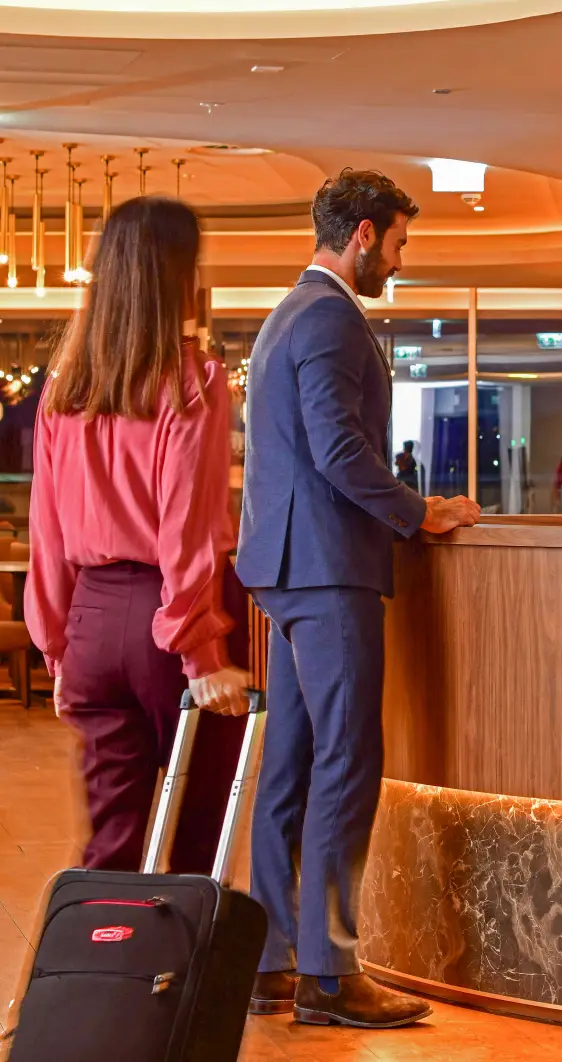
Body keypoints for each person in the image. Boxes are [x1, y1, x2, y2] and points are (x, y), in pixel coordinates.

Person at [235, 169, 480, 1029]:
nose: (400, 262)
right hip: (329, 567)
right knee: (347, 764)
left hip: (287, 565)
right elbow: (341, 453)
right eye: (401, 244)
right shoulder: (333, 317)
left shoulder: (285, 315)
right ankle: (331, 976)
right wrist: (420, 513)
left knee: (295, 766)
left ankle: (272, 960)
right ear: (366, 233)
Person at [25, 196, 252, 876]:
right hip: (167, 623)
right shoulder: (193, 382)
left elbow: (48, 530)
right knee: (197, 831)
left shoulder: (66, 388)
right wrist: (203, 655)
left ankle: (101, 976)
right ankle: (170, 981)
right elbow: (185, 531)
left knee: (112, 840)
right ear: (176, 274)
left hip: (91, 619)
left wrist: (59, 648)